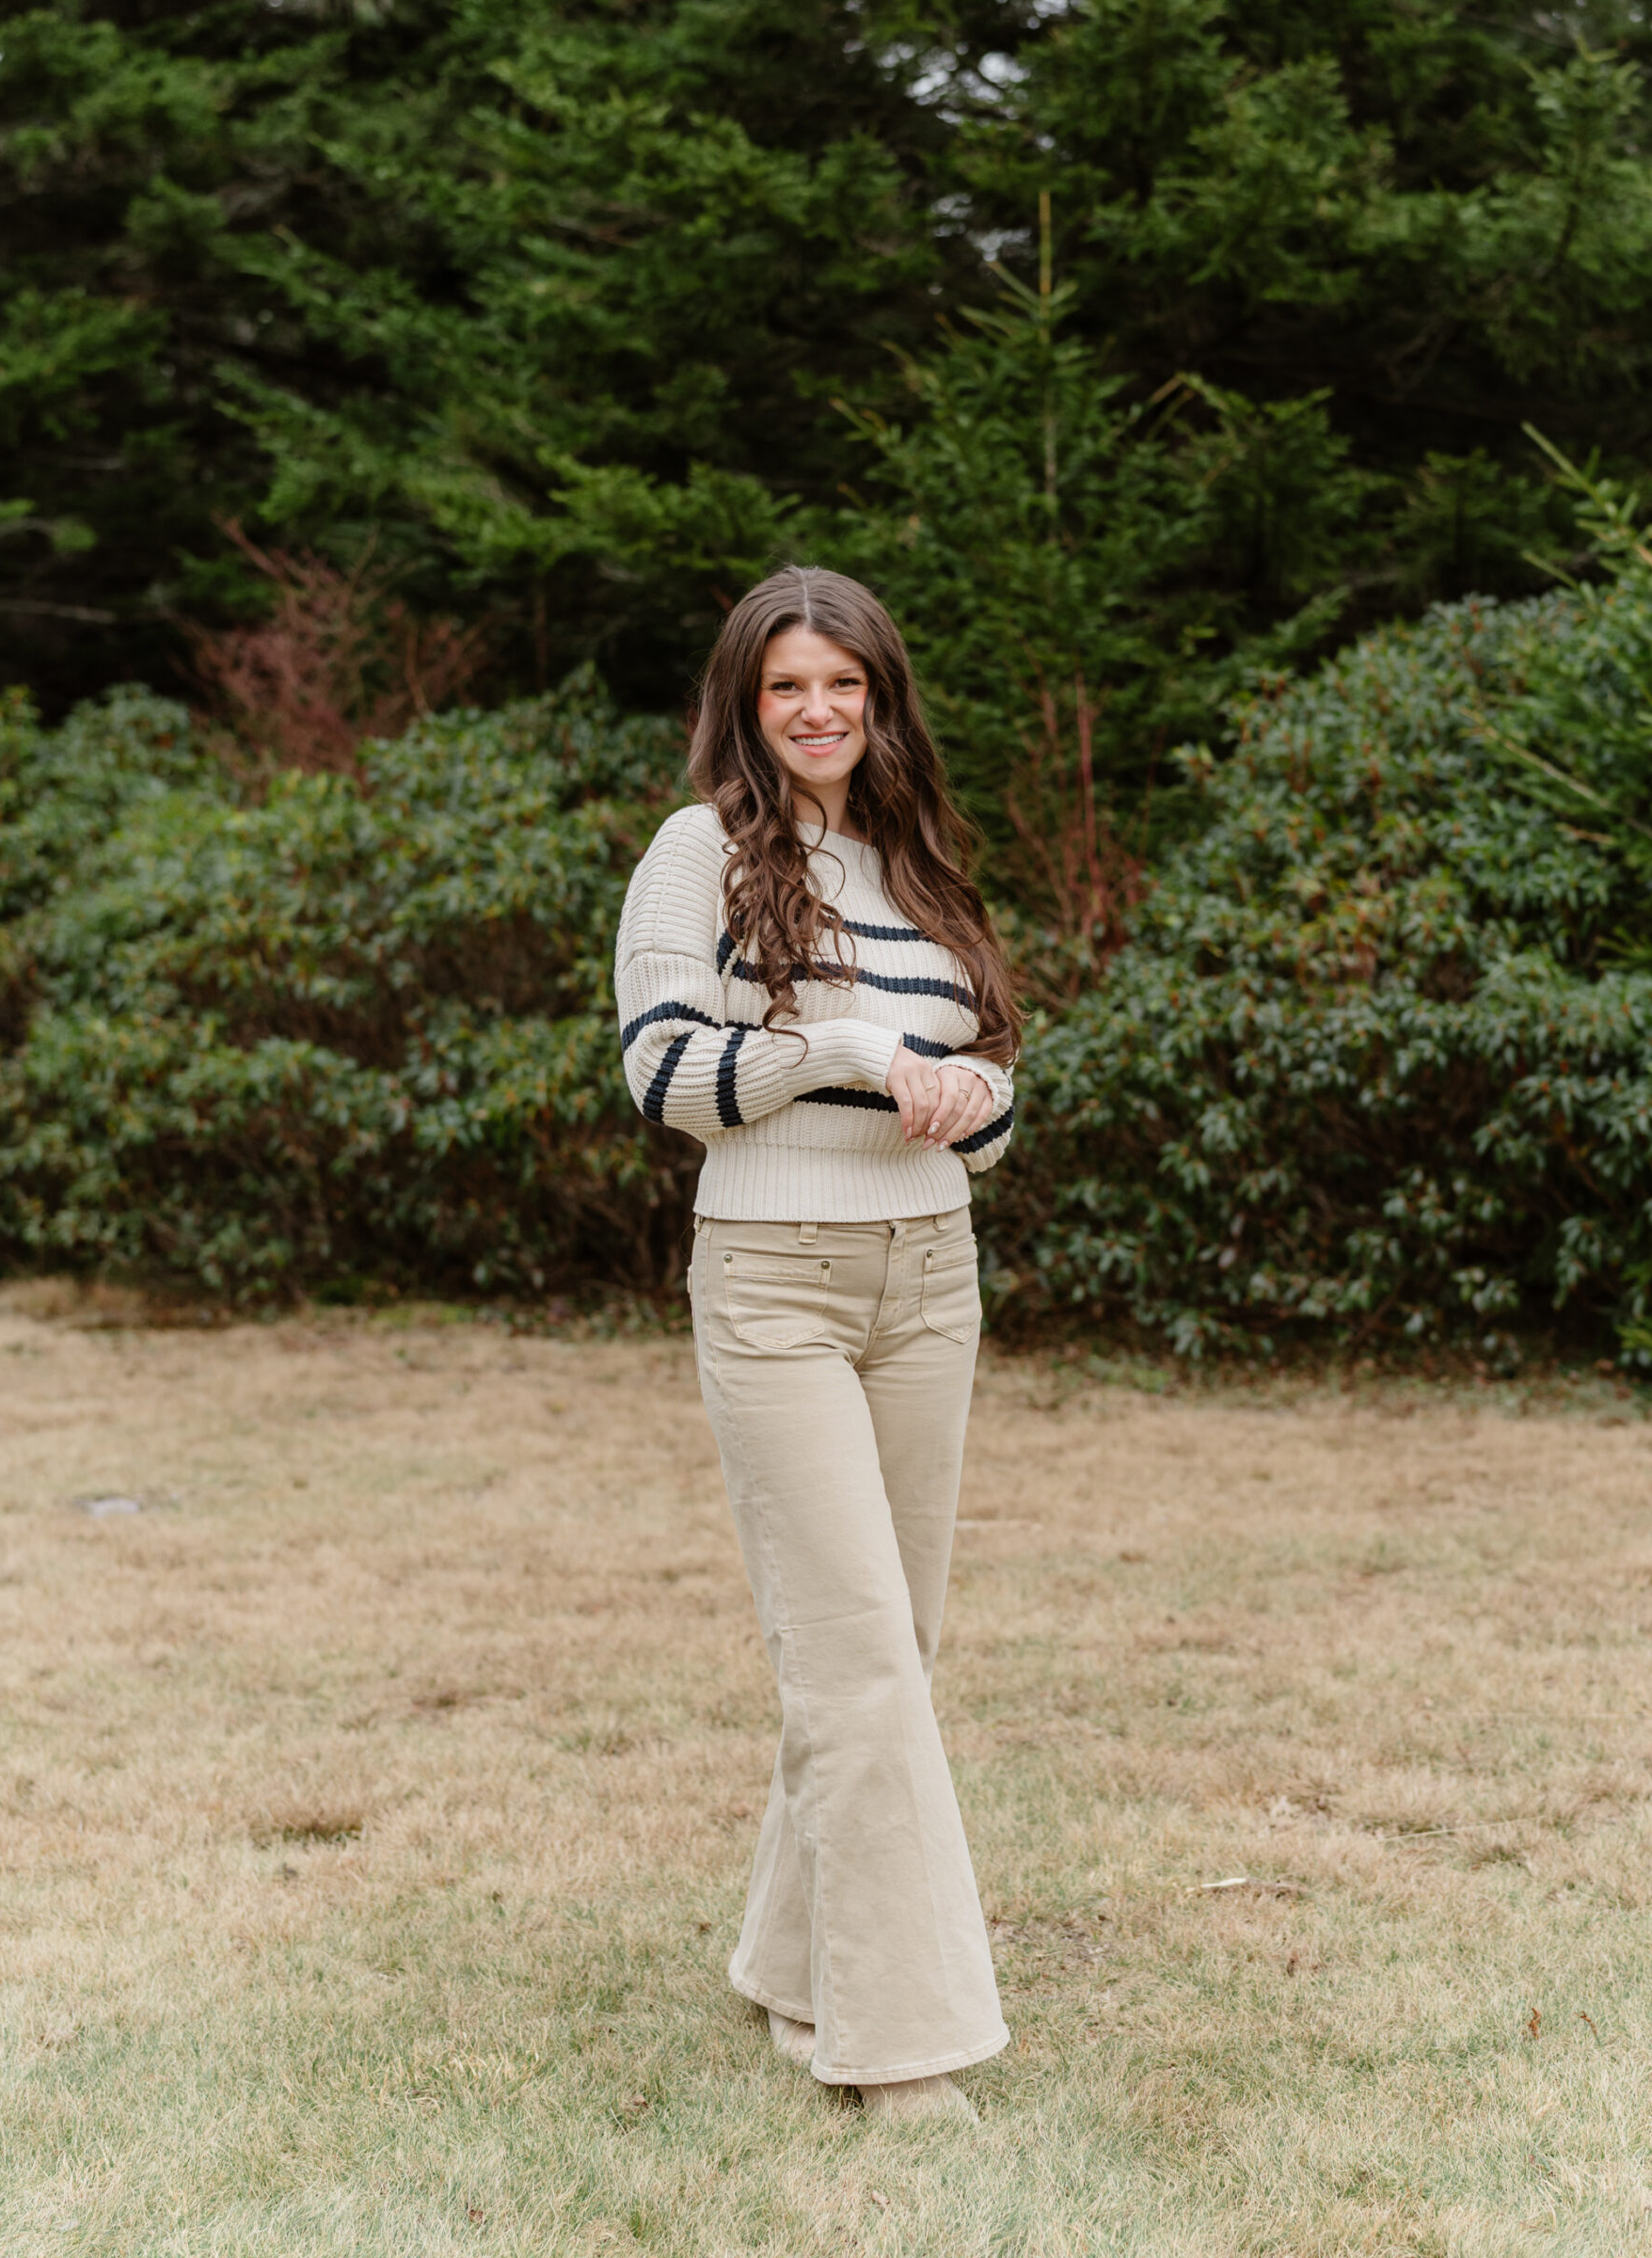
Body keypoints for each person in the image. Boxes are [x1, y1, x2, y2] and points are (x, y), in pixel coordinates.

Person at [613, 564, 1020, 2122]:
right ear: (744, 700)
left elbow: (983, 1076)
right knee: (849, 1661)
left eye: (842, 684)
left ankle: (791, 1970)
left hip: (930, 1271)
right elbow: (661, 1073)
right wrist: (843, 1050)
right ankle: (901, 2048)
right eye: (787, 686)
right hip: (774, 1272)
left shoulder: (915, 860)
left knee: (890, 1654)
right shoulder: (696, 854)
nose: (818, 711)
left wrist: (974, 1100)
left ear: (879, 695)